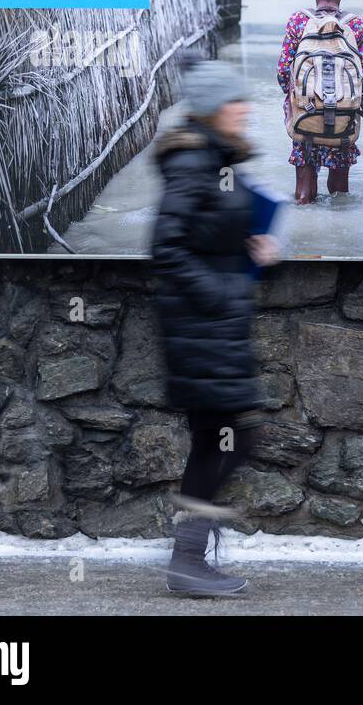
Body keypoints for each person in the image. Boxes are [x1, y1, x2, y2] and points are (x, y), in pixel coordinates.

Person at [151, 55, 280, 596]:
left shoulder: (214, 161)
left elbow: (210, 232)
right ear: (210, 109)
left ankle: (190, 560)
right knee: (228, 440)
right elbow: (167, 247)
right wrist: (225, 290)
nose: (245, 109)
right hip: (200, 327)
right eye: (235, 101)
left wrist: (253, 244)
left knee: (219, 439)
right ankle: (187, 561)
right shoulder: (192, 165)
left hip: (213, 326)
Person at [277, 0, 363, 204]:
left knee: (304, 194)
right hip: (343, 121)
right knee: (340, 194)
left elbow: (283, 73)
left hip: (305, 116)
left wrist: (301, 98)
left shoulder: (298, 22)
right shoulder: (356, 25)